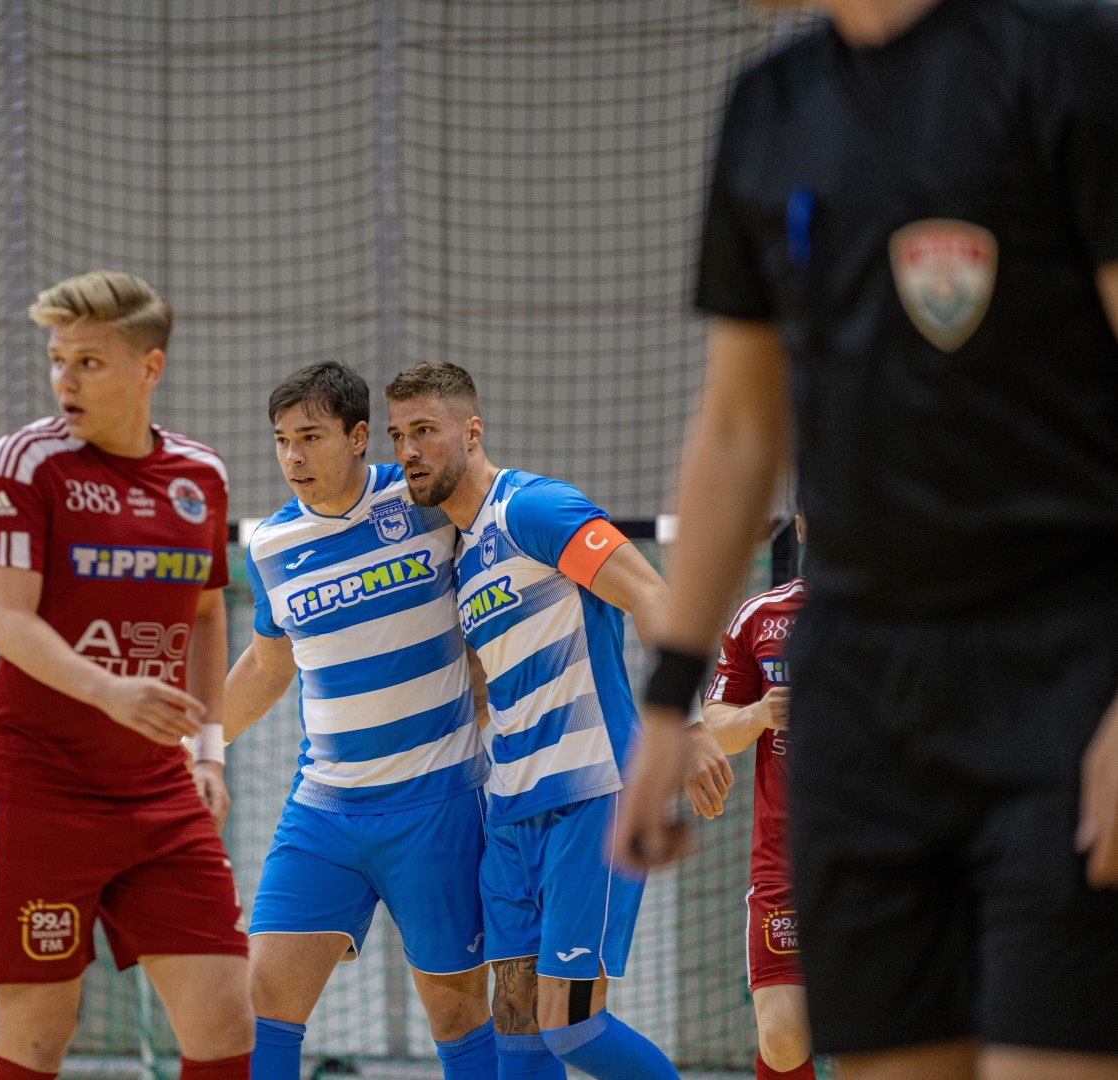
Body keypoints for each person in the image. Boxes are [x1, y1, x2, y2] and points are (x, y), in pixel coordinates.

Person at [615, 1, 1118, 1078]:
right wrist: (670, 702)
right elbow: (742, 431)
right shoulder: (769, 106)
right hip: (865, 700)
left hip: (1062, 673)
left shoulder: (1071, 59)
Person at [383, 361, 731, 1080]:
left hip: (591, 794)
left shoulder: (533, 508)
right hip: (510, 814)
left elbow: (652, 595)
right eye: (396, 436)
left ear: (471, 431)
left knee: (573, 1028)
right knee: (519, 1042)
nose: (408, 451)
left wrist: (691, 726)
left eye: (424, 431)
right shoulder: (461, 560)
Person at [0, 270, 251, 1080]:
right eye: (58, 360)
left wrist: (208, 750)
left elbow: (205, 613)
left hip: (161, 795)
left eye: (88, 362)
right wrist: (110, 689)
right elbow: (8, 621)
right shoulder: (26, 462)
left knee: (228, 1020)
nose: (65, 380)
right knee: (37, 1038)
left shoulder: (201, 475)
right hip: (37, 791)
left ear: (148, 368)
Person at [225, 361, 495, 1080]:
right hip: (324, 811)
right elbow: (266, 665)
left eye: (309, 437)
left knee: (459, 1013)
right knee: (261, 1007)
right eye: (281, 440)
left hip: (437, 801)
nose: (292, 457)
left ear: (358, 436)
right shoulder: (271, 548)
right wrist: (194, 746)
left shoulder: (424, 501)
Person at [700, 521, 809, 1080]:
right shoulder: (761, 617)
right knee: (784, 1036)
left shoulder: (906, 610)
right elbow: (716, 729)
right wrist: (761, 714)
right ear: (806, 524)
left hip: (888, 852)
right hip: (784, 859)